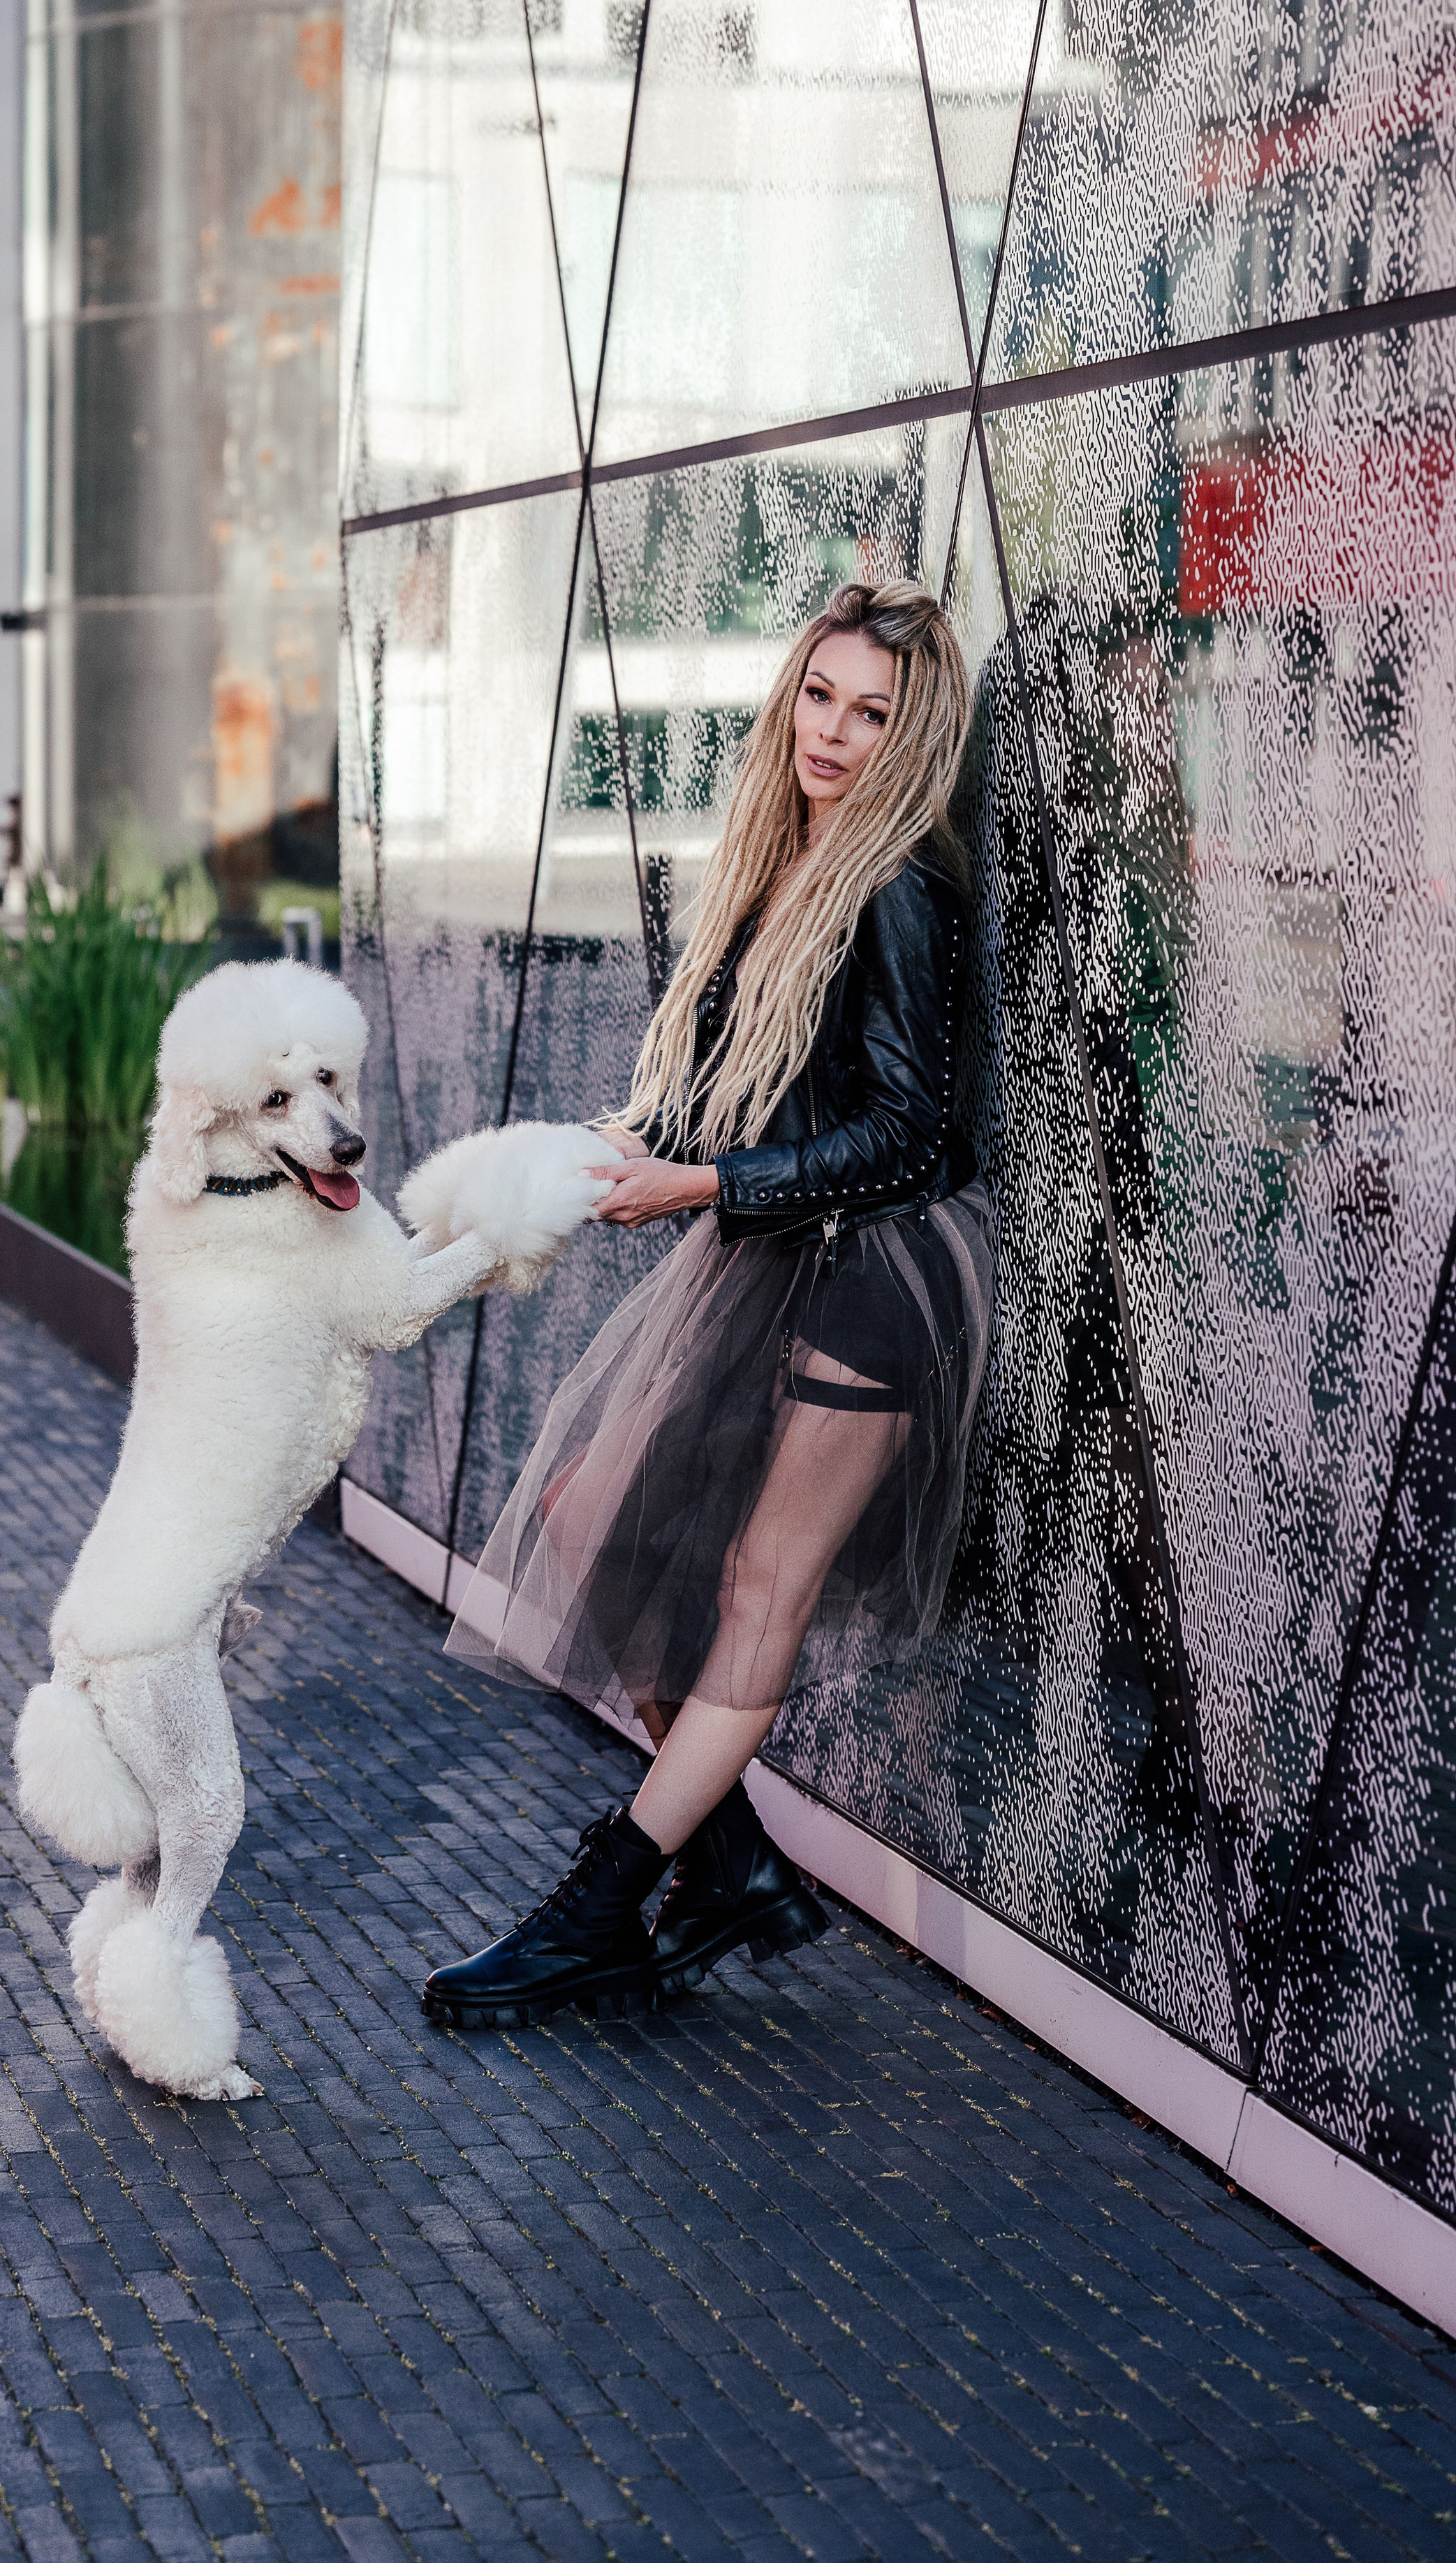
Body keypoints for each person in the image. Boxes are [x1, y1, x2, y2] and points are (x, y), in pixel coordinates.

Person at [426, 580, 997, 2028]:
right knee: (579, 1512)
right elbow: (732, 1090)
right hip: (768, 1237)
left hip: (875, 1270)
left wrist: (694, 1191)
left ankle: (602, 1903)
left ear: (910, 736)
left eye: (871, 714)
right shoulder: (774, 861)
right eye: (818, 694)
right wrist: (632, 1149)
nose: (833, 732)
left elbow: (907, 1138)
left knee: (757, 1590)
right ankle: (723, 1853)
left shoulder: (898, 886)